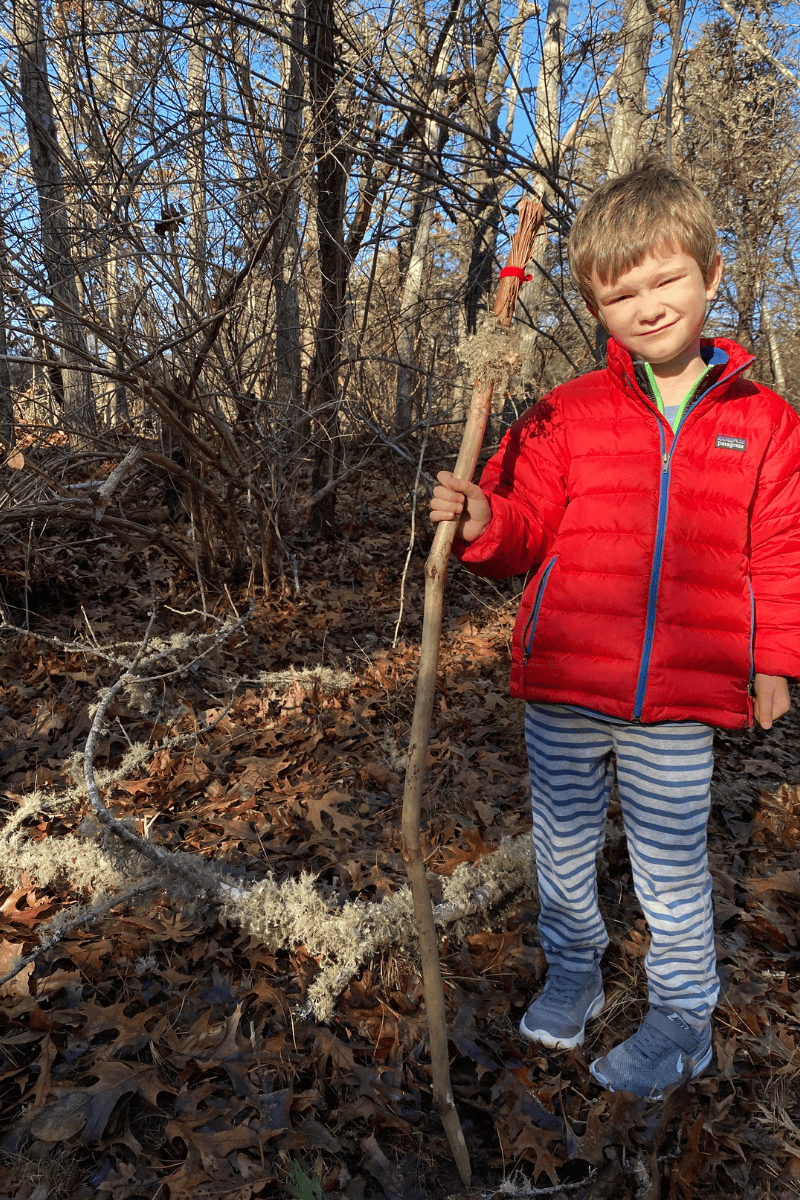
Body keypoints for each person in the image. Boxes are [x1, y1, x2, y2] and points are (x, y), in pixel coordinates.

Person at [430, 156, 800, 1099]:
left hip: (678, 694)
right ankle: (576, 969)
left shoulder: (763, 422)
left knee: (671, 860)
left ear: (712, 276)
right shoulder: (568, 411)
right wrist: (481, 522)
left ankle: (683, 1017)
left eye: (665, 279)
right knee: (561, 843)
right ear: (596, 306)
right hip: (565, 680)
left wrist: (773, 663)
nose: (646, 305)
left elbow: (781, 550)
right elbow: (525, 530)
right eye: (618, 292)